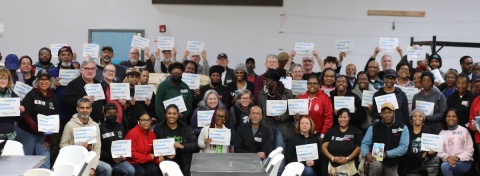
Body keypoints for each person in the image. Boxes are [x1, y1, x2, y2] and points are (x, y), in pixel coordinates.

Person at [257, 68, 294, 175]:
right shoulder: (262, 94)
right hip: (266, 127)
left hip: (282, 128)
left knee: (280, 156)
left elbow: (291, 111)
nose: (265, 83)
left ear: (274, 81)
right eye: (265, 81)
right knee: (269, 155)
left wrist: (281, 117)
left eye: (267, 81)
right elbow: (260, 111)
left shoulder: (287, 93)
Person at [60, 98, 112, 176]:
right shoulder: (70, 125)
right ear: (77, 109)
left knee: (107, 168)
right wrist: (78, 148)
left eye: (87, 108)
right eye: (82, 108)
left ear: (91, 109)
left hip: (90, 159)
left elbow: (97, 148)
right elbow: (62, 145)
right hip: (74, 159)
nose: (85, 110)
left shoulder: (95, 125)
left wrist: (93, 167)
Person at [17, 70, 57, 169]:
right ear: (37, 81)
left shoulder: (53, 97)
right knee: (26, 161)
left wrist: (49, 136)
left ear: (50, 81)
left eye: (46, 79)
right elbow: (25, 115)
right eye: (41, 80)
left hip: (43, 135)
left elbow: (55, 118)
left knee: (45, 160)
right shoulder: (31, 94)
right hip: (27, 132)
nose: (44, 82)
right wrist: (36, 128)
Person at [361, 102, 409, 176]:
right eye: (384, 113)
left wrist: (386, 154)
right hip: (376, 160)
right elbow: (365, 143)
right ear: (381, 114)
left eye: (390, 112)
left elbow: (403, 148)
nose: (387, 115)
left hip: (392, 163)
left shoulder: (402, 127)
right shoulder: (373, 127)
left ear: (394, 113)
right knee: (375, 166)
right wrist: (366, 154)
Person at [154, 104, 198, 176]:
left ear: (178, 115)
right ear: (166, 115)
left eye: (174, 114)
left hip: (183, 161)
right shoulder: (159, 128)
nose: (172, 116)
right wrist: (164, 155)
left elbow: (195, 144)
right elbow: (155, 146)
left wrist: (183, 146)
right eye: (169, 113)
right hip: (165, 162)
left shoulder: (185, 127)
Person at [398, 109, 440, 176]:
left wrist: (430, 153)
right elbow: (404, 151)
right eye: (415, 116)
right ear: (411, 118)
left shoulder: (428, 130)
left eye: (420, 116)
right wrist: (421, 155)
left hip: (424, 161)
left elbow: (432, 149)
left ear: (423, 118)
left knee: (435, 159)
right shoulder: (406, 130)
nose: (417, 118)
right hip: (409, 161)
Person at [322, 109, 362, 176]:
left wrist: (347, 159)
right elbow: (324, 146)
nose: (342, 119)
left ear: (349, 118)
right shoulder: (331, 131)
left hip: (350, 165)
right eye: (340, 117)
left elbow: (358, 147)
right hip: (332, 165)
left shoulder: (356, 131)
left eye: (345, 117)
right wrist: (332, 158)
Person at [99, 103, 135, 176]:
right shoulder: (100, 128)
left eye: (114, 113)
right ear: (105, 114)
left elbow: (124, 144)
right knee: (107, 169)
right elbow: (98, 149)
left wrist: (125, 155)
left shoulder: (121, 126)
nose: (112, 115)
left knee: (131, 170)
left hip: (119, 160)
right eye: (109, 113)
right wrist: (112, 158)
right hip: (105, 160)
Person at [439, 108, 474, 176]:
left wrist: (457, 158)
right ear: (445, 118)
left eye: (454, 116)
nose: (451, 118)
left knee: (445, 166)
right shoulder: (442, 133)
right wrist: (448, 158)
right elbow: (440, 152)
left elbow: (469, 151)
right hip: (448, 161)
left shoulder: (464, 131)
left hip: (464, 162)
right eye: (448, 116)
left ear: (457, 118)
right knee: (445, 166)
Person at [124, 112, 161, 176]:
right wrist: (147, 158)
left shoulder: (152, 134)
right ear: (138, 121)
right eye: (143, 120)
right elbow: (132, 154)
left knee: (154, 170)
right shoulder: (132, 133)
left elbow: (154, 151)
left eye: (148, 120)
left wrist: (157, 159)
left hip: (147, 160)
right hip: (133, 161)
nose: (146, 122)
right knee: (140, 173)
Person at [123, 68, 152, 132]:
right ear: (127, 78)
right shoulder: (123, 91)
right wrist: (128, 104)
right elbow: (120, 108)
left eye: (136, 77)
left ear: (139, 78)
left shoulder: (145, 90)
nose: (134, 79)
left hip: (143, 124)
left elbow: (151, 109)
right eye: (131, 77)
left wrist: (148, 105)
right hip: (129, 125)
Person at [0, 68, 24, 140]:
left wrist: (20, 111)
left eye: (5, 78)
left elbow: (17, 118)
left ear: (9, 80)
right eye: (0, 78)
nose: (3, 81)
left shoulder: (13, 94)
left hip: (9, 134)